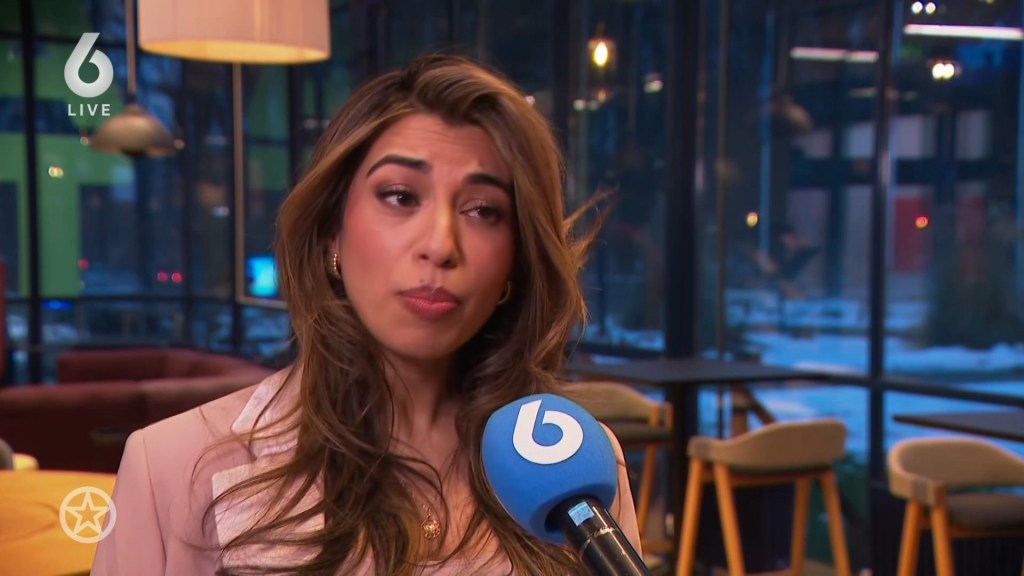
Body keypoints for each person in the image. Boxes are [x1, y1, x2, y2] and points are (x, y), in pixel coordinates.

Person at [91, 54, 641, 575]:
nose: (440, 245)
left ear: (514, 263)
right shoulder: (169, 467)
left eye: (482, 210)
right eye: (401, 196)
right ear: (332, 232)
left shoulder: (579, 468)